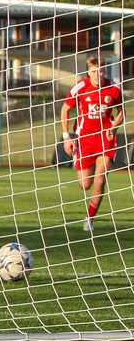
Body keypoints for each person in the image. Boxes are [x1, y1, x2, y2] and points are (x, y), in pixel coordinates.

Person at [61, 56, 124, 232]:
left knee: (100, 180)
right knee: (85, 185)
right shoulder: (81, 87)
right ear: (89, 72)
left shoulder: (113, 88)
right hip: (84, 139)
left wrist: (113, 127)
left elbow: (122, 112)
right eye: (94, 71)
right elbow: (66, 109)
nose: (98, 75)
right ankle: (78, 160)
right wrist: (67, 136)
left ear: (105, 71)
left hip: (105, 139)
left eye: (101, 71)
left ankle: (89, 219)